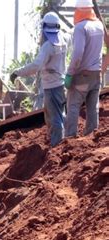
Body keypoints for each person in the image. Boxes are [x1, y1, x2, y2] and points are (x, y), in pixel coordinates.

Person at [10, 11, 70, 147]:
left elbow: (36, 65)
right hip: (60, 84)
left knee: (54, 118)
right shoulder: (63, 40)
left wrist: (17, 72)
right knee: (60, 114)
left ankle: (56, 145)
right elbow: (71, 34)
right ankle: (63, 141)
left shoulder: (48, 46)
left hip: (51, 86)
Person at [64, 0, 104, 138]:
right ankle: (92, 136)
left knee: (73, 105)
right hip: (97, 74)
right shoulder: (99, 25)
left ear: (78, 11)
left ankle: (70, 137)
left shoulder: (80, 28)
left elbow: (77, 54)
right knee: (93, 107)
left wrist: (69, 74)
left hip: (83, 74)